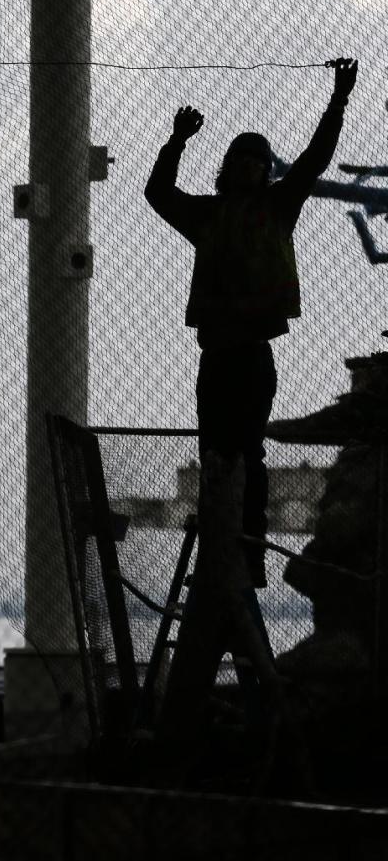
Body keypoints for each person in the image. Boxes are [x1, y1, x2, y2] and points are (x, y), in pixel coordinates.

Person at [144, 56, 357, 588]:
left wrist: (337, 101)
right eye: (243, 159)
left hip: (246, 354)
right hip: (218, 354)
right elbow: (158, 194)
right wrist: (175, 142)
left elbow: (313, 159)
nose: (249, 167)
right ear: (230, 166)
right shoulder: (214, 214)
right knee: (217, 455)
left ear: (265, 172)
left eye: (257, 161)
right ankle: (225, 556)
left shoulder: (275, 207)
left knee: (245, 455)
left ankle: (246, 559)